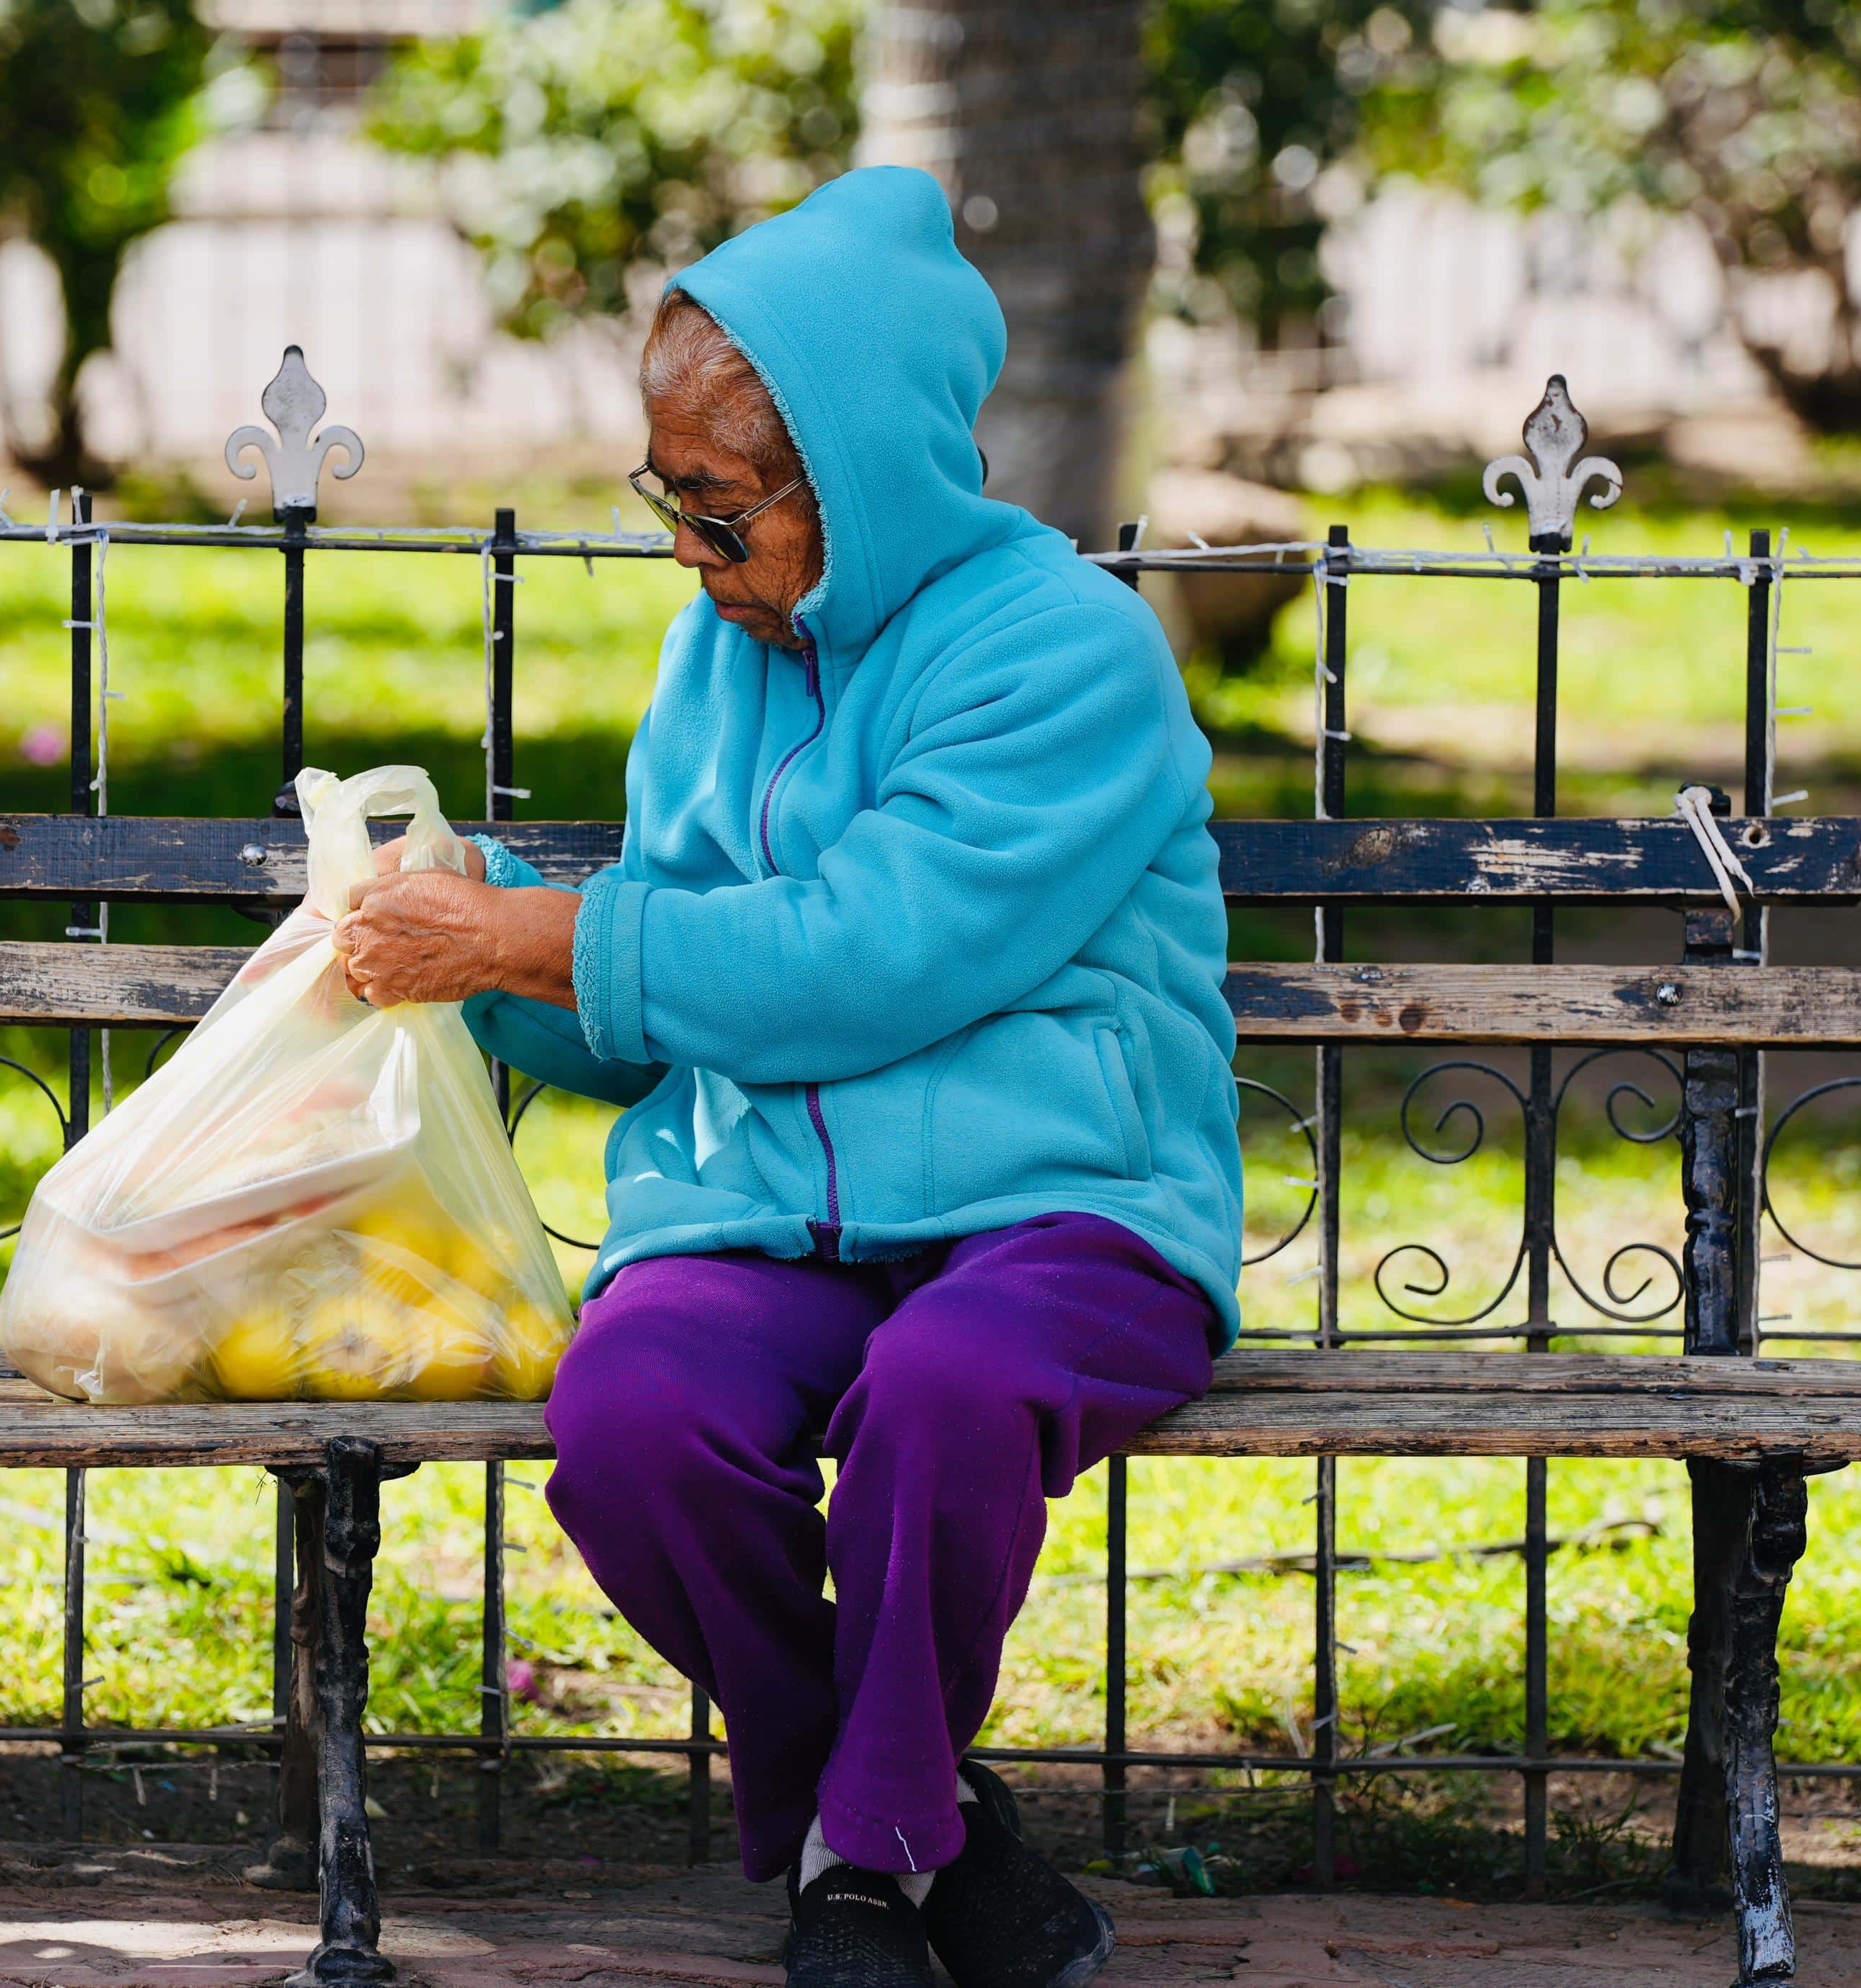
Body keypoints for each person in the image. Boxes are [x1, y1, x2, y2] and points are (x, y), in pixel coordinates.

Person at [330, 164, 1242, 1988]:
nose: (686, 546)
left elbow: (865, 953)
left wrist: (542, 938)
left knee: (949, 1386)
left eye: (720, 506)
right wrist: (469, 946)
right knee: (634, 1424)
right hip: (763, 1205)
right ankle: (922, 1826)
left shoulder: (1067, 651)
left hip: (1066, 1208)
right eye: (668, 496)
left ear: (866, 471)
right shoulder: (716, 651)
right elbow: (671, 977)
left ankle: (859, 1862)